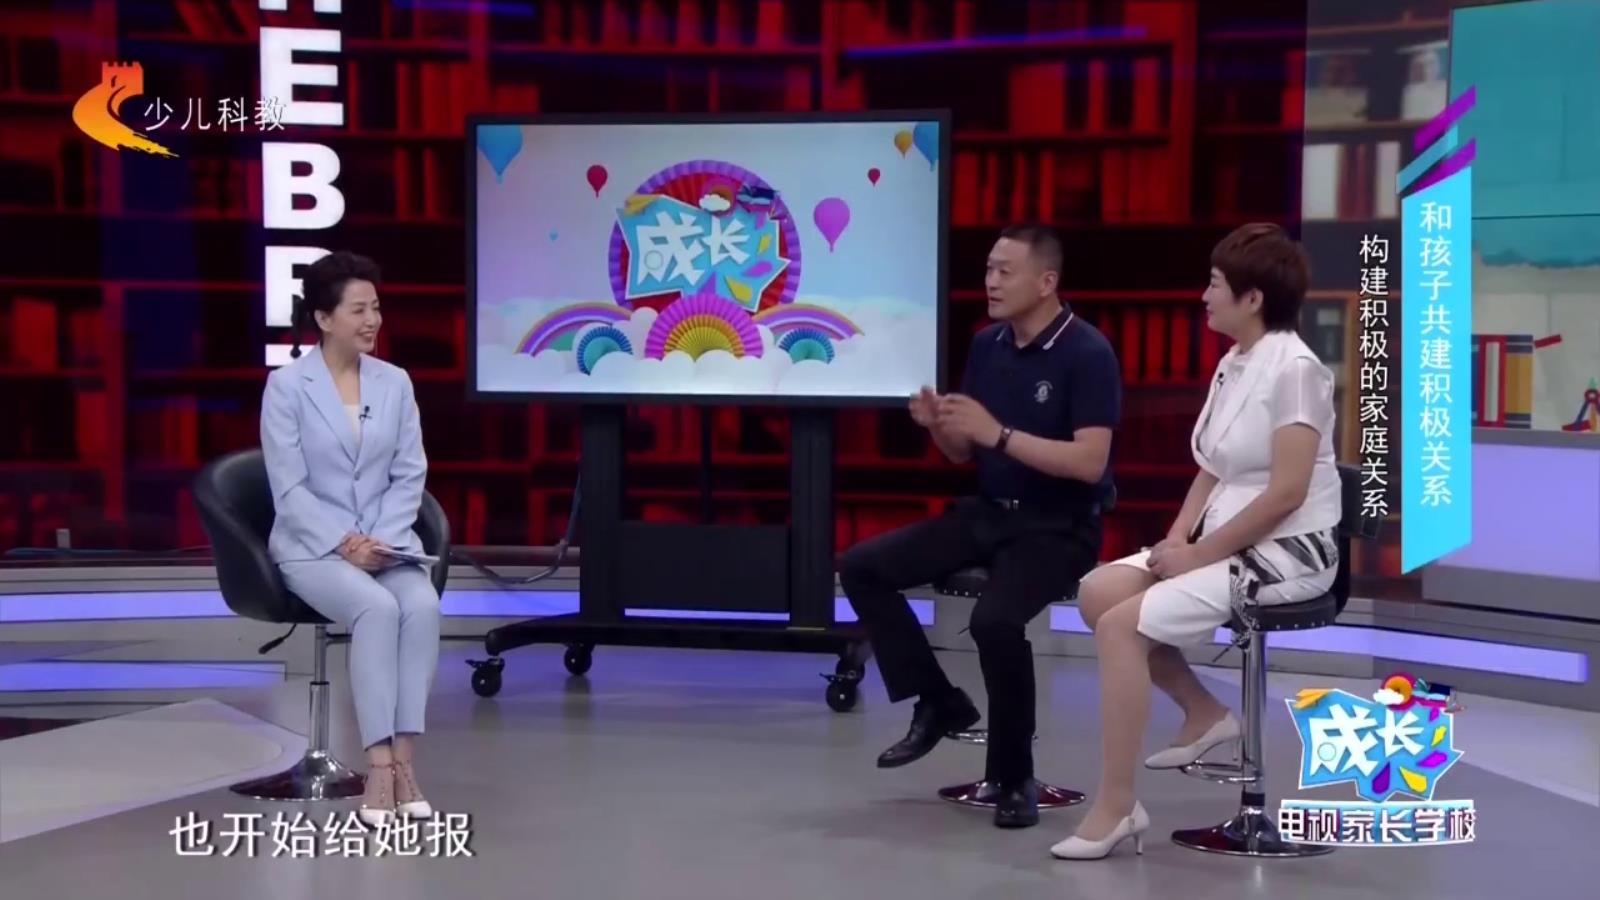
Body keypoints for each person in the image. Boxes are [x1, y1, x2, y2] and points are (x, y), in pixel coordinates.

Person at [1050, 223, 1342, 860]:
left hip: (1288, 553)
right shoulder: (1235, 362)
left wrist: (1197, 557)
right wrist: (1175, 538)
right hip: (1223, 538)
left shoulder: (1297, 372)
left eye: (1214, 284)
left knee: (1121, 628)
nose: (1204, 296)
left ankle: (1116, 807)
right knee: (1099, 592)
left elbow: (1286, 493)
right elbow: (1213, 467)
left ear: (1253, 298)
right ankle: (1204, 712)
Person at [839, 224, 1121, 828]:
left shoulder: (1088, 353)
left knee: (994, 621)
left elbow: (1089, 462)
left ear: (1046, 282)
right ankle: (937, 700)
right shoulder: (986, 346)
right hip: (989, 513)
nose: (990, 281)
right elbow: (964, 454)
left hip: (1059, 527)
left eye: (1004, 271)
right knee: (861, 567)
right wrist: (939, 427)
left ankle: (1015, 777)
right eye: (989, 269)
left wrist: (1000, 434)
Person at [259, 250, 440, 828]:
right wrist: (344, 543)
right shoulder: (287, 387)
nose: (372, 320)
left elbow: (409, 474)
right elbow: (289, 489)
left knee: (421, 605)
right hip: (312, 547)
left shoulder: (395, 382)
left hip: (384, 543)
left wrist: (378, 541)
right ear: (324, 317)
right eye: (359, 310)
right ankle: (378, 766)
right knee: (375, 608)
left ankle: (405, 762)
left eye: (376, 308)